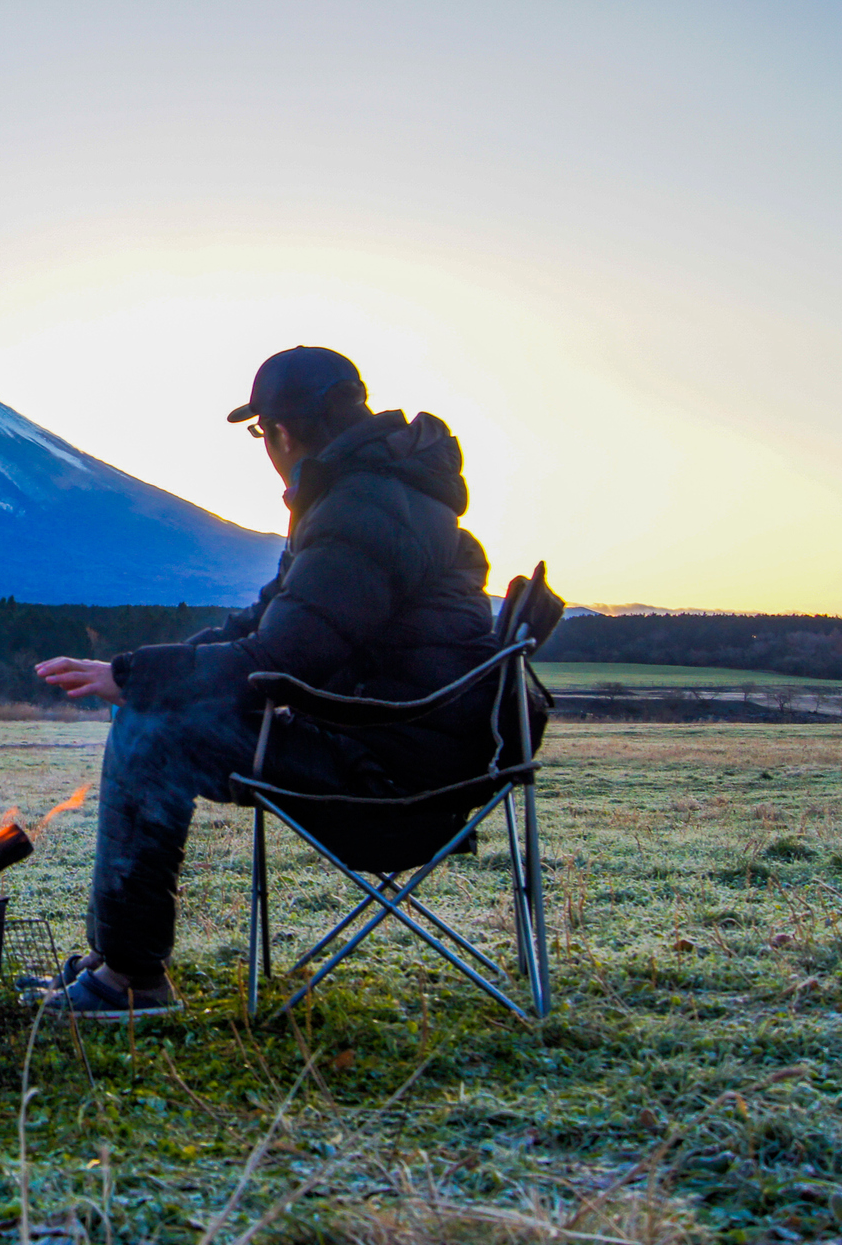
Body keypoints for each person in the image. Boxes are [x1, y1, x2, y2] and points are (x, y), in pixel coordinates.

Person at [35, 346, 499, 1017]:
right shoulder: (379, 495)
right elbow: (262, 623)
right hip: (408, 754)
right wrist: (136, 672)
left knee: (153, 732)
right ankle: (117, 961)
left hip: (393, 782)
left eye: (259, 433)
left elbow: (284, 655)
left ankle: (129, 978)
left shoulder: (363, 509)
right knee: (150, 707)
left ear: (280, 432)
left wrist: (136, 684)